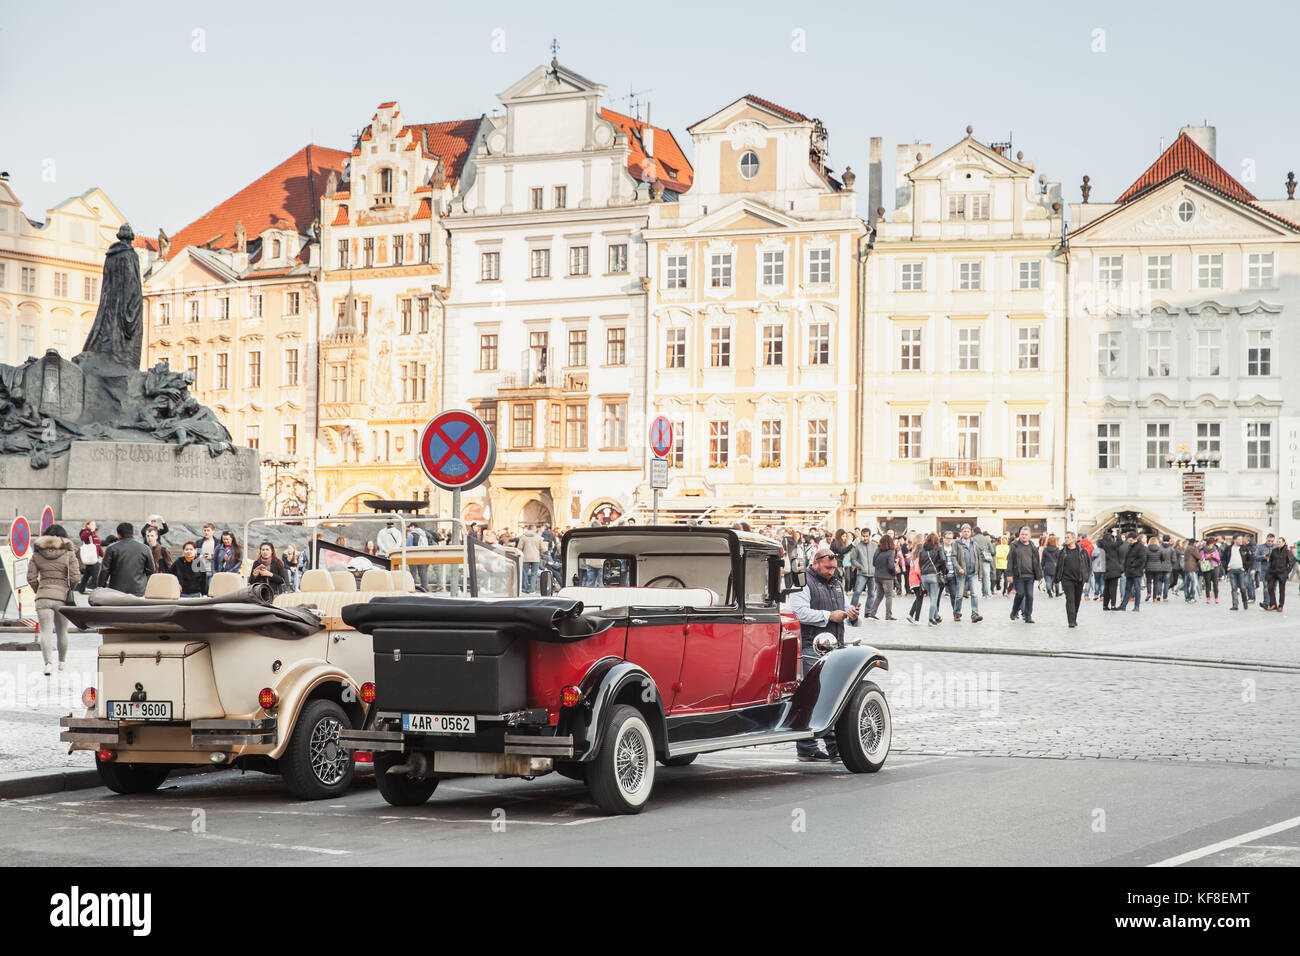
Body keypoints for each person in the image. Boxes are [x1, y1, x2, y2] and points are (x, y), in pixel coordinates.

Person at [787, 545, 857, 760]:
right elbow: (798, 612)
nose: (831, 571)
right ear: (815, 563)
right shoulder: (803, 582)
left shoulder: (836, 582)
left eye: (834, 568)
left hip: (835, 645)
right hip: (811, 646)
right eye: (827, 568)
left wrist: (852, 614)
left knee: (831, 695)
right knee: (814, 697)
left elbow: (845, 607)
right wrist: (829, 616)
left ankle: (817, 749)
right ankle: (820, 748)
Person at [26, 524, 80, 675]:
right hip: (62, 597)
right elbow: (75, 577)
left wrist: (39, 589)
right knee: (62, 631)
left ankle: (48, 663)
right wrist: (69, 588)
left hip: (43, 596)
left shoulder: (37, 554)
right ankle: (62, 661)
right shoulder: (69, 553)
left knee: (45, 632)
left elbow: (30, 577)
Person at [99, 522, 155, 597]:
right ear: (133, 534)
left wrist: (100, 588)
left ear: (118, 535)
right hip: (138, 590)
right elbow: (151, 569)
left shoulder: (111, 548)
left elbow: (104, 571)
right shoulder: (145, 548)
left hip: (116, 590)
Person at [1007, 525, 1042, 623]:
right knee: (1020, 594)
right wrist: (1009, 574)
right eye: (1022, 534)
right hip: (1018, 575)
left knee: (1030, 595)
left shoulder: (1033, 547)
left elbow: (1037, 562)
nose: (1024, 536)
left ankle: (1028, 615)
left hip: (1030, 576)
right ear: (1019, 535)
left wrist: (1040, 575)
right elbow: (1010, 560)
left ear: (1030, 536)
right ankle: (1014, 611)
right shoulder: (1014, 546)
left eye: (1026, 534)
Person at [1057, 531, 1089, 628]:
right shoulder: (1062, 552)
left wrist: (1086, 576)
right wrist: (1057, 578)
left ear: (1074, 539)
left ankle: (1074, 617)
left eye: (1068, 537)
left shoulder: (1082, 551)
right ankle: (1071, 620)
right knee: (1070, 599)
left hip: (1079, 578)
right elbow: (1059, 566)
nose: (1066, 539)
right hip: (1067, 579)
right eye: (1065, 537)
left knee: (1077, 599)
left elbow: (1088, 564)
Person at [955, 525, 983, 622]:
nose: (966, 533)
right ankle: (957, 613)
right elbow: (953, 557)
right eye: (964, 531)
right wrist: (959, 568)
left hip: (973, 573)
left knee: (974, 594)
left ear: (971, 532)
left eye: (968, 531)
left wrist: (980, 574)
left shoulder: (974, 543)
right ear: (961, 532)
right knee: (959, 595)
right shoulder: (957, 543)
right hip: (961, 573)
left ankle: (974, 614)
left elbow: (978, 558)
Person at [918, 533, 947, 626]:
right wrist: (938, 567)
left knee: (931, 597)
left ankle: (936, 616)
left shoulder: (922, 549)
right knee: (934, 599)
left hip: (924, 576)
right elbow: (943, 559)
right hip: (933, 575)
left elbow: (920, 563)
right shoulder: (938, 547)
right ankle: (931, 619)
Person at [867, 534, 898, 620]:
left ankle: (872, 613)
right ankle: (888, 615)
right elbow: (891, 566)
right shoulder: (891, 552)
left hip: (877, 576)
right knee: (889, 596)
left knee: (879, 596)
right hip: (887, 577)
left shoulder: (878, 550)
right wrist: (894, 573)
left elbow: (873, 563)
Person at [848, 529, 876, 623]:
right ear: (861, 536)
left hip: (873, 573)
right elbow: (852, 559)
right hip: (862, 573)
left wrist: (876, 567)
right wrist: (860, 566)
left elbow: (877, 558)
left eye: (867, 536)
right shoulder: (858, 546)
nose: (865, 538)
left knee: (872, 593)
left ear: (870, 536)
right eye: (863, 536)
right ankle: (852, 610)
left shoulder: (874, 546)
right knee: (857, 592)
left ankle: (868, 612)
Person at [939, 529, 965, 620]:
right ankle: (935, 614)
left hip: (952, 575)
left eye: (951, 538)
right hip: (942, 576)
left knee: (954, 596)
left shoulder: (955, 547)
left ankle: (956, 614)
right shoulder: (940, 547)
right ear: (943, 538)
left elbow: (960, 559)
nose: (949, 540)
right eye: (947, 538)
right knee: (937, 596)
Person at [1265, 538, 1296, 611]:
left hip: (1282, 573)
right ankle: (1273, 604)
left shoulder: (1287, 552)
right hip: (1273, 572)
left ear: (1284, 543)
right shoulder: (1274, 551)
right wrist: (1269, 569)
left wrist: (1287, 571)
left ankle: (1281, 605)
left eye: (1280, 542)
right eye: (1277, 542)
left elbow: (1292, 562)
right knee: (1270, 587)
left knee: (1281, 590)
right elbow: (1270, 561)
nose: (1278, 543)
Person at [1225, 535, 1254, 610]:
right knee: (1234, 588)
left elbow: (1250, 559)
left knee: (1242, 587)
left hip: (1240, 570)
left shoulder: (1244, 548)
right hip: (1231, 570)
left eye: (1241, 539)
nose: (1241, 541)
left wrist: (1245, 568)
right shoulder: (1229, 549)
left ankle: (1244, 601)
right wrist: (1226, 567)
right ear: (1234, 540)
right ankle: (1235, 605)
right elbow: (1223, 558)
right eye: (1239, 539)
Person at [77, 520, 103, 593]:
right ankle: (91, 587)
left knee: (87, 574)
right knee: (96, 573)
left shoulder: (94, 534)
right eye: (92, 524)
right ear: (87, 525)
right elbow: (83, 537)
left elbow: (98, 546)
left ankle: (82, 588)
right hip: (90, 557)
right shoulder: (86, 532)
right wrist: (89, 530)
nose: (94, 526)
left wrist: (102, 555)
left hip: (94, 557)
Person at [1101, 530, 1123, 609]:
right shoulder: (1112, 545)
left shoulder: (1101, 546)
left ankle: (1105, 605)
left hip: (1105, 569)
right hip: (1114, 569)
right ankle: (1113, 605)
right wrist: (1118, 534)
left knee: (1106, 588)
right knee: (1113, 588)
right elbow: (1120, 542)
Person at [519, 525, 543, 594]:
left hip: (525, 558)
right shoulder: (538, 537)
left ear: (528, 529)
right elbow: (543, 548)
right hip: (536, 558)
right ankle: (532, 590)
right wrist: (539, 552)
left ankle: (524, 589)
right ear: (534, 529)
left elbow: (519, 547)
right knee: (534, 574)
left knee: (524, 573)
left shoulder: (523, 537)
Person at [195, 523, 218, 587]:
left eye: (208, 530)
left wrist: (212, 557)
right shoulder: (199, 542)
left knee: (211, 589)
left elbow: (221, 556)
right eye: (204, 530)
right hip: (201, 570)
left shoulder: (218, 543)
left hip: (213, 570)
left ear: (213, 531)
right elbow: (195, 555)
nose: (206, 532)